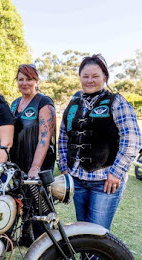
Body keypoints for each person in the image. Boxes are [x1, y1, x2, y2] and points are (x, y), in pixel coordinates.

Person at [58, 54, 141, 230]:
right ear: (80, 77)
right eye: (85, 76)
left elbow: (132, 140)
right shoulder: (73, 103)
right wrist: (65, 167)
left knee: (97, 235)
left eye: (95, 76)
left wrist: (116, 172)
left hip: (105, 181)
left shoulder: (116, 101)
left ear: (105, 76)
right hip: (77, 179)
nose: (90, 80)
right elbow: (64, 137)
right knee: (82, 232)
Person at [10, 64, 56, 247]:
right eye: (21, 79)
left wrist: (35, 167)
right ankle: (26, 237)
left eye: (29, 79)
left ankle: (47, 248)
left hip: (37, 165)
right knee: (23, 204)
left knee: (40, 211)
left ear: (36, 81)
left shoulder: (44, 102)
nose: (24, 83)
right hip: (18, 165)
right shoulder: (14, 104)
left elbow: (45, 138)